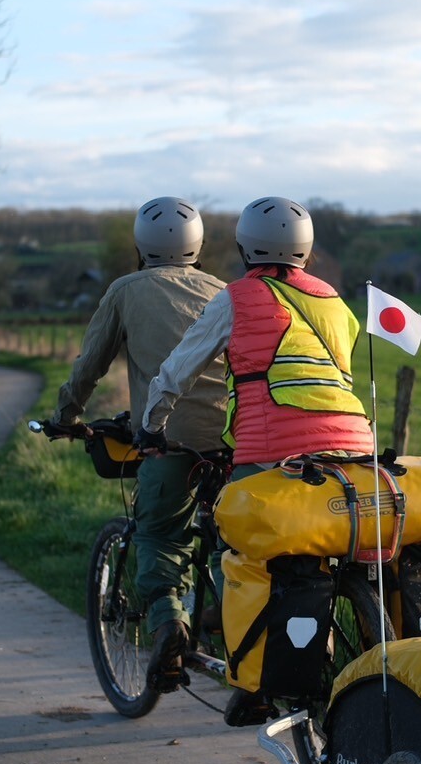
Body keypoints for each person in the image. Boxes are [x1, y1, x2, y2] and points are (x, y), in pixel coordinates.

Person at [138, 196, 373, 725]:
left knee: (239, 552)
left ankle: (257, 683)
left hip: (272, 454)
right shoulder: (335, 302)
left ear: (244, 248)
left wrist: (151, 425)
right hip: (355, 449)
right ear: (306, 252)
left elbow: (177, 369)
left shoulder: (238, 298)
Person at [52, 197, 227, 694]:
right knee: (231, 540)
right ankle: (238, 623)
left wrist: (66, 415)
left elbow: (91, 364)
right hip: (233, 443)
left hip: (168, 439)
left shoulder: (126, 290)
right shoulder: (223, 291)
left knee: (159, 535)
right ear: (198, 244)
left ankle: (170, 622)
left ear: (140, 245)